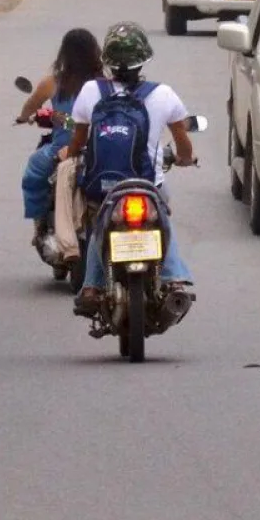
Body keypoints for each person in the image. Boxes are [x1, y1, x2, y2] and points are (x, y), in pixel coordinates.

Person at [67, 22, 194, 317]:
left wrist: (68, 154)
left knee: (100, 223)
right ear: (144, 60)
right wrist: (185, 158)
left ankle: (91, 287)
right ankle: (173, 280)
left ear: (107, 63)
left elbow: (78, 141)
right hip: (148, 184)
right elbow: (183, 145)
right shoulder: (164, 94)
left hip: (105, 185)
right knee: (163, 217)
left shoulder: (90, 91)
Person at [17, 28, 103, 265]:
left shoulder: (53, 82)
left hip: (62, 150)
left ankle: (39, 224)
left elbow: (30, 106)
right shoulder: (104, 83)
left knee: (33, 173)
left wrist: (24, 117)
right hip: (98, 151)